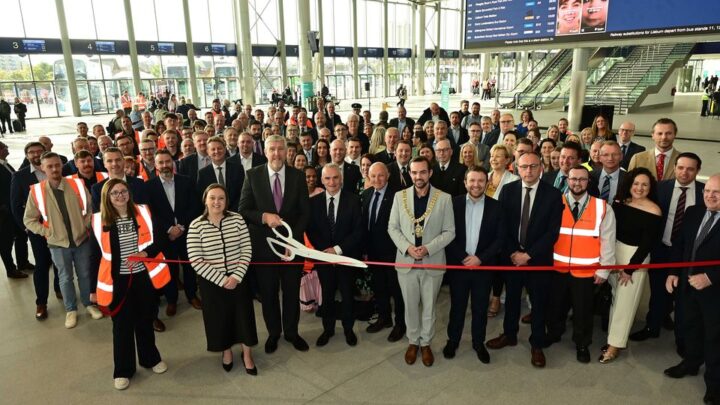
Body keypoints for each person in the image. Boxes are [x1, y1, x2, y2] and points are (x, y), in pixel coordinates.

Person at [488, 152, 563, 368]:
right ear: (516, 168)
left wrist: (528, 255)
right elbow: (502, 226)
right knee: (511, 299)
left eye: (533, 166)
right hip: (511, 258)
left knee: (539, 303)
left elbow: (552, 232)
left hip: (538, 259)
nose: (528, 171)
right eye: (524, 167)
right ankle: (509, 335)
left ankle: (537, 343)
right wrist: (513, 253)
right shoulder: (508, 191)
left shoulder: (553, 194)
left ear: (541, 167)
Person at [93, 179, 169, 390]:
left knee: (145, 320)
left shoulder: (143, 212)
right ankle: (123, 370)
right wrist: (92, 289)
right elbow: (93, 255)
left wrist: (145, 253)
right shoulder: (99, 221)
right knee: (122, 327)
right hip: (118, 282)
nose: (120, 196)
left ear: (129, 193)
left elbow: (161, 239)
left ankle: (150, 359)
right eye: (114, 193)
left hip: (143, 278)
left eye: (123, 191)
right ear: (107, 197)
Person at [238, 135, 311, 354]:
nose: (277, 154)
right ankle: (274, 333)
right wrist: (263, 217)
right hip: (264, 248)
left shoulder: (298, 176)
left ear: (287, 151)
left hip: (292, 248)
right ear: (266, 152)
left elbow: (305, 213)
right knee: (268, 294)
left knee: (290, 292)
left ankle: (291, 332)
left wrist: (293, 241)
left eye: (281, 149)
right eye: (273, 150)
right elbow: (243, 209)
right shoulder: (253, 176)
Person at [631, 153, 704, 350]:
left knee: (683, 296)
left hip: (689, 255)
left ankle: (682, 338)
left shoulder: (704, 192)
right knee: (657, 291)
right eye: (680, 167)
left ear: (698, 171)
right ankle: (652, 326)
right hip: (661, 248)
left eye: (690, 169)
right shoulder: (661, 188)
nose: (684, 172)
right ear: (675, 168)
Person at [387, 156, 455, 367]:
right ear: (410, 174)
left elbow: (450, 231)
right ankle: (412, 341)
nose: (418, 176)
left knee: (429, 307)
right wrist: (408, 248)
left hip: (432, 261)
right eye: (414, 172)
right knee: (410, 306)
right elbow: (392, 228)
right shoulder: (400, 197)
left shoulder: (444, 198)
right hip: (406, 261)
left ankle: (426, 343)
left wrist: (428, 248)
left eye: (422, 172)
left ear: (430, 173)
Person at [545, 165, 616, 363]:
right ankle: (554, 333)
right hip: (557, 268)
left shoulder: (602, 208)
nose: (577, 183)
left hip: (586, 271)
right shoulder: (555, 203)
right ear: (567, 180)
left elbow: (608, 242)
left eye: (582, 179)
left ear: (588, 182)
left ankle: (582, 343)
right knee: (556, 305)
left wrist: (604, 270)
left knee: (583, 310)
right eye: (573, 179)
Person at [23, 151, 102, 328]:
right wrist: (47, 232)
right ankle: (71, 309)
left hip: (82, 240)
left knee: (85, 274)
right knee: (65, 278)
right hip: (57, 244)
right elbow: (28, 219)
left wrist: (85, 225)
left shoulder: (77, 184)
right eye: (49, 166)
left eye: (57, 165)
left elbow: (91, 209)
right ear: (43, 168)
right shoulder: (36, 191)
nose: (54, 169)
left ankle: (89, 304)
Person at [187, 184, 257, 374]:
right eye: (212, 198)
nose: (217, 202)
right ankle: (226, 352)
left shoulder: (237, 220)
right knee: (220, 319)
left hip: (238, 279)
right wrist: (221, 280)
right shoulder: (196, 225)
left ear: (227, 201)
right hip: (212, 284)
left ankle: (247, 355)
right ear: (205, 200)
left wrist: (236, 276)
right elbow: (195, 259)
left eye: (221, 198)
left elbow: (246, 249)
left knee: (244, 318)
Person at [664, 174, 720, 405]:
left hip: (714, 293)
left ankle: (715, 385)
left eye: (716, 192)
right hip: (687, 286)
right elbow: (681, 245)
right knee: (689, 327)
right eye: (707, 190)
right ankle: (690, 363)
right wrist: (673, 272)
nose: (710, 195)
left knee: (715, 338)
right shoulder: (693, 212)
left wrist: (710, 277)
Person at [599, 167, 663, 363]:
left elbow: (646, 244)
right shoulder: (621, 202)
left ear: (650, 187)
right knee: (615, 298)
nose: (639, 188)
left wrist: (630, 268)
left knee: (625, 304)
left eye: (644, 184)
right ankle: (613, 336)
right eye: (636, 183)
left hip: (634, 258)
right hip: (614, 252)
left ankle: (615, 345)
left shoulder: (654, 210)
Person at [443, 166, 505, 364]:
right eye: (472, 180)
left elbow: (499, 239)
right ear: (465, 182)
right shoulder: (454, 204)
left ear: (486, 183)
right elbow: (447, 234)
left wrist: (480, 258)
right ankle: (453, 341)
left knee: (480, 308)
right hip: (459, 266)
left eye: (480, 181)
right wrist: (462, 257)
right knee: (457, 307)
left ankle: (478, 343)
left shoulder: (497, 207)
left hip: (483, 268)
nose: (476, 185)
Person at [306, 164, 363, 347]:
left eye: (335, 178)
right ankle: (328, 329)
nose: (332, 182)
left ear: (341, 179)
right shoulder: (313, 202)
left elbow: (358, 232)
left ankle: (348, 329)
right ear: (322, 180)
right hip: (323, 259)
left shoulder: (353, 201)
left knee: (347, 295)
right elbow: (311, 230)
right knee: (327, 295)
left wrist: (337, 250)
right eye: (328, 178)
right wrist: (325, 252)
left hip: (346, 257)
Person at [145, 149, 202, 315]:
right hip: (165, 236)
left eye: (167, 162)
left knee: (190, 266)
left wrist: (181, 227)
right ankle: (172, 300)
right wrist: (169, 229)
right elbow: (151, 213)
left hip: (187, 234)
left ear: (173, 163)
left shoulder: (187, 181)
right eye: (161, 163)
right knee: (170, 269)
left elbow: (195, 206)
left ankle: (192, 295)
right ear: (155, 165)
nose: (165, 166)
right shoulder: (149, 187)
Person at [11, 142, 63, 319]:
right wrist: (26, 228)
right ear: (27, 156)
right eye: (31, 152)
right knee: (42, 264)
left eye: (39, 151)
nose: (35, 154)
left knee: (59, 262)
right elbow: (16, 206)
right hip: (38, 230)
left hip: (60, 228)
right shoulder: (20, 177)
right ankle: (41, 302)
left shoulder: (56, 170)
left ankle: (59, 289)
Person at [362, 163, 405, 341]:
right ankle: (384, 318)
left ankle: (400, 324)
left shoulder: (399, 195)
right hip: (373, 253)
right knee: (379, 288)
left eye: (380, 175)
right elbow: (364, 224)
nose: (377, 180)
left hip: (393, 253)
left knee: (397, 290)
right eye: (373, 176)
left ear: (387, 175)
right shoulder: (366, 194)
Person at [0, 141, 32, 279]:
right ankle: (11, 269)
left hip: (14, 210)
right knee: (5, 243)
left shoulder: (5, 163)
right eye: (4, 147)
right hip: (4, 213)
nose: (7, 148)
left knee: (21, 236)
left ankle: (23, 262)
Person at [197, 136, 244, 210]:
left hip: (236, 213)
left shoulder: (237, 169)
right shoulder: (203, 173)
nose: (216, 151)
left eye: (219, 148)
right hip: (213, 214)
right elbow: (203, 198)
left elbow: (242, 193)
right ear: (208, 152)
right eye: (213, 149)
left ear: (225, 150)